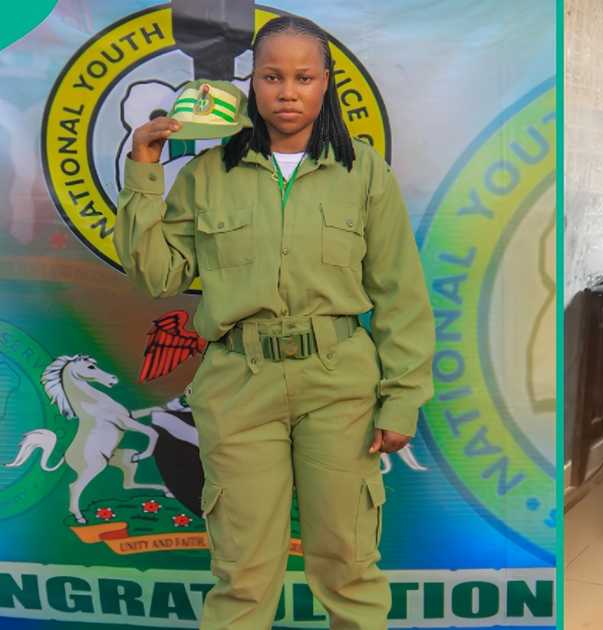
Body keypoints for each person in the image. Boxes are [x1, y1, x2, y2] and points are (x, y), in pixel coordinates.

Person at [113, 16, 434, 630]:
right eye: (272, 77)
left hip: (339, 383)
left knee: (348, 562)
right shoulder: (208, 173)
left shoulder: (362, 172)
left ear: (325, 83)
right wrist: (145, 170)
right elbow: (157, 277)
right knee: (242, 573)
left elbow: (400, 294)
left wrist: (402, 399)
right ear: (251, 84)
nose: (288, 92)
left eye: (304, 77)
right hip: (238, 383)